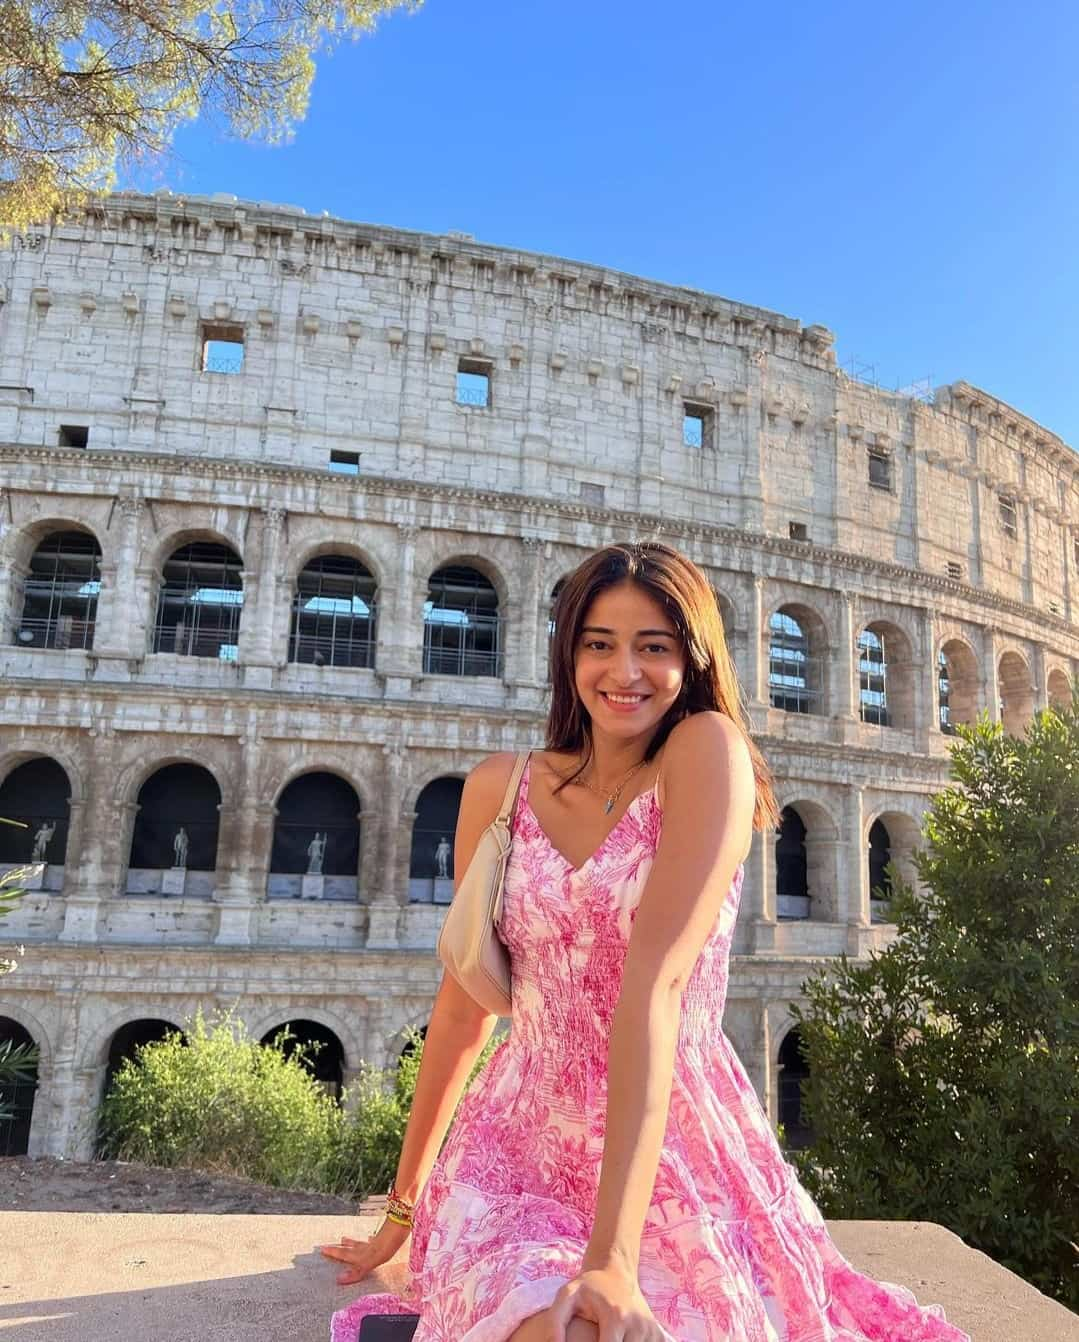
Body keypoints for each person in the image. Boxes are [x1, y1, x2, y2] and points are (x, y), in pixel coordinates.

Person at [322, 542, 970, 1342]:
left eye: (652, 647)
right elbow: (463, 1008)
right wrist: (402, 1209)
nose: (622, 670)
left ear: (690, 660)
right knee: (550, 1328)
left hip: (672, 1152)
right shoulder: (499, 787)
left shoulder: (705, 754)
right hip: (510, 1156)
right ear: (568, 654)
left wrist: (612, 1255)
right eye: (598, 643)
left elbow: (654, 989)